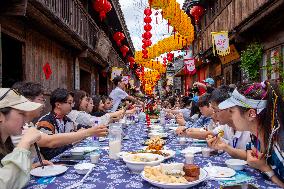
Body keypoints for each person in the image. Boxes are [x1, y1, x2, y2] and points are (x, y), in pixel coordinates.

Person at [218, 81, 284, 187]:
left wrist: (266, 169)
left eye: (232, 111)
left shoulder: (280, 147)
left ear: (251, 113)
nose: (230, 116)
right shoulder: (255, 136)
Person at [37, 88, 108, 160]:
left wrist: (95, 129)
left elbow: (83, 128)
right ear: (58, 105)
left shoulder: (67, 120)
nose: (72, 106)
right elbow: (49, 154)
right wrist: (73, 142)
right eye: (69, 103)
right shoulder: (45, 123)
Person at [0, 88, 42, 189]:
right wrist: (25, 143)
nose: (26, 119)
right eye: (21, 113)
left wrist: (30, 167)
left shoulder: (6, 143)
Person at [11, 82, 53, 168]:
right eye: (41, 100)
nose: (44, 105)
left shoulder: (29, 123)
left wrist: (40, 163)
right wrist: (87, 132)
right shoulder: (17, 127)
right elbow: (50, 141)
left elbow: (36, 151)